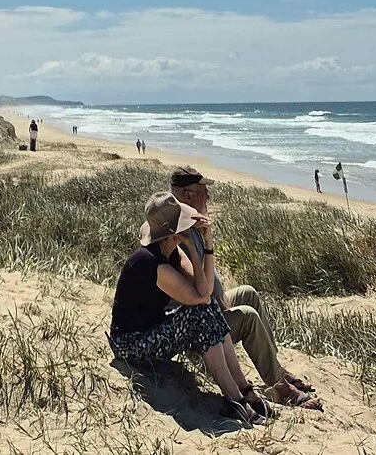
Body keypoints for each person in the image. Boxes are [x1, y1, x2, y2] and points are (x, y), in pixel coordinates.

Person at [108, 192, 267, 426]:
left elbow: (208, 290)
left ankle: (242, 389)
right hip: (130, 345)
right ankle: (235, 399)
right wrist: (194, 248)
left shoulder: (170, 252)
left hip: (151, 333)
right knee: (200, 312)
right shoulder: (150, 262)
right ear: (173, 232)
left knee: (208, 308)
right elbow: (200, 298)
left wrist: (206, 245)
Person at [169, 168, 320, 411]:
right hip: (198, 333)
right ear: (188, 195)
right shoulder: (180, 232)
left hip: (209, 308)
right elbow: (198, 294)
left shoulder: (192, 222)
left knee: (248, 292)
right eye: (203, 192)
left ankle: (276, 369)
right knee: (247, 316)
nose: (208, 196)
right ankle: (279, 387)